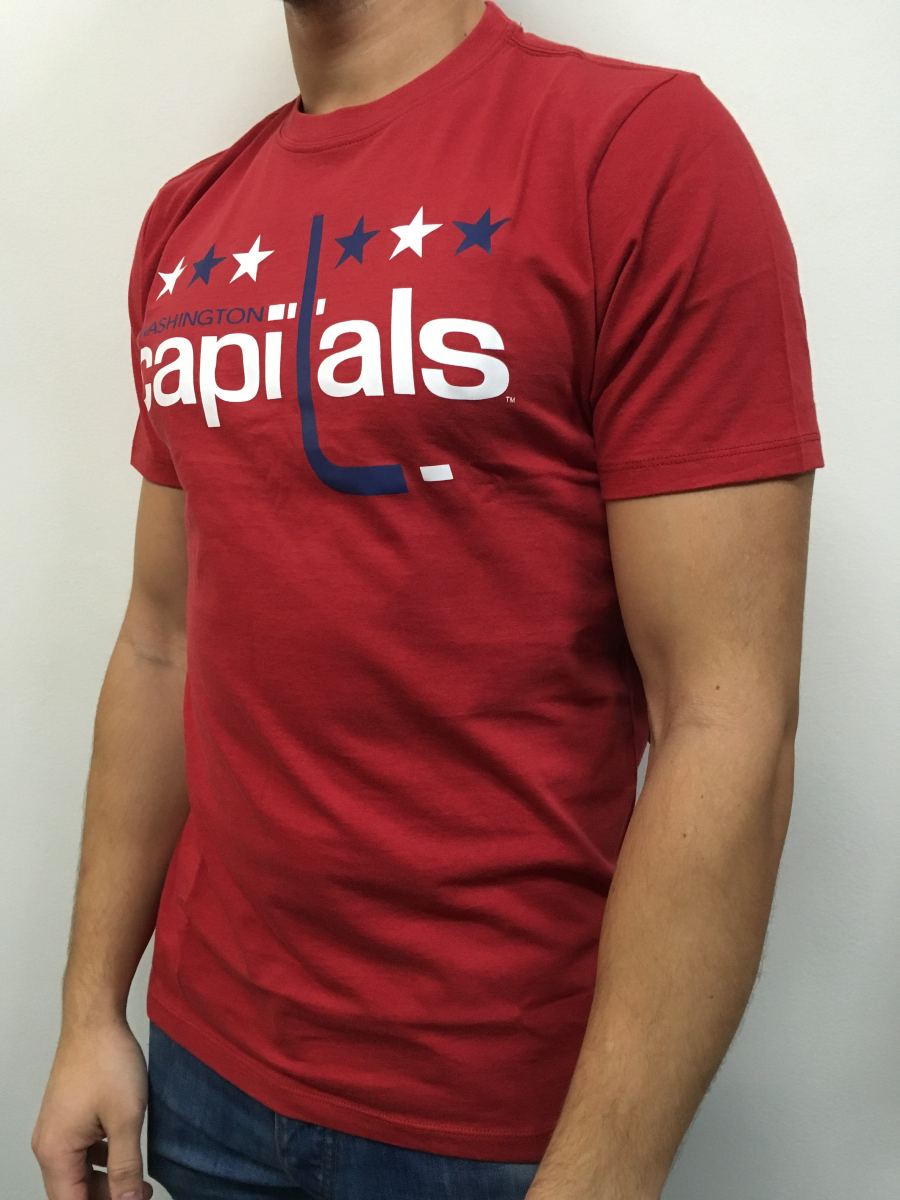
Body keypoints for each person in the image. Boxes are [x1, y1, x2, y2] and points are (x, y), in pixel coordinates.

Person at [31, 1, 823, 1197]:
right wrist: (91, 1006)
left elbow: (727, 716)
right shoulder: (191, 219)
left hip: (496, 1121)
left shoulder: (638, 150)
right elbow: (161, 640)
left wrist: (600, 1179)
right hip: (202, 1073)